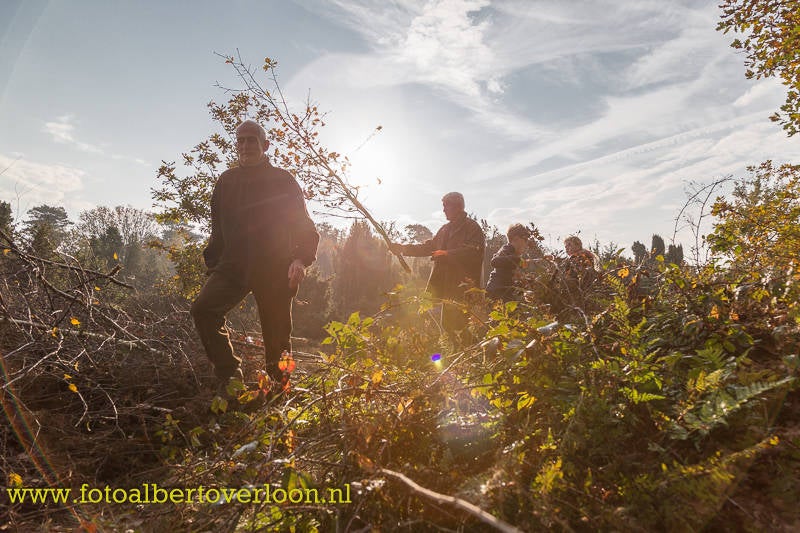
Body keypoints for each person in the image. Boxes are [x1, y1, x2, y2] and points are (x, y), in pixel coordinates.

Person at [190, 120, 319, 392]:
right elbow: (217, 230)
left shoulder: (283, 180)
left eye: (252, 140)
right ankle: (230, 376)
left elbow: (303, 225)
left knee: (277, 337)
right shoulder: (226, 182)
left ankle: (279, 389)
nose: (245, 145)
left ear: (265, 145)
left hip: (275, 269)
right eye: (241, 140)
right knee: (203, 310)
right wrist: (214, 264)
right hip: (233, 267)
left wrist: (300, 259)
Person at [390, 192, 485, 332]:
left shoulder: (472, 228)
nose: (444, 210)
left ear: (457, 206)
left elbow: (474, 252)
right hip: (447, 287)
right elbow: (428, 247)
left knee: (464, 329)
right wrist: (403, 249)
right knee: (448, 327)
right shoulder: (445, 230)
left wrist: (447, 254)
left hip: (464, 289)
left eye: (447, 206)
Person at [486, 223, 531, 301]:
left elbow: (512, 278)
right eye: (525, 239)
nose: (526, 243)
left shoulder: (512, 255)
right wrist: (518, 260)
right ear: (516, 238)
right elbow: (495, 261)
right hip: (496, 290)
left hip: (503, 292)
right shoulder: (507, 249)